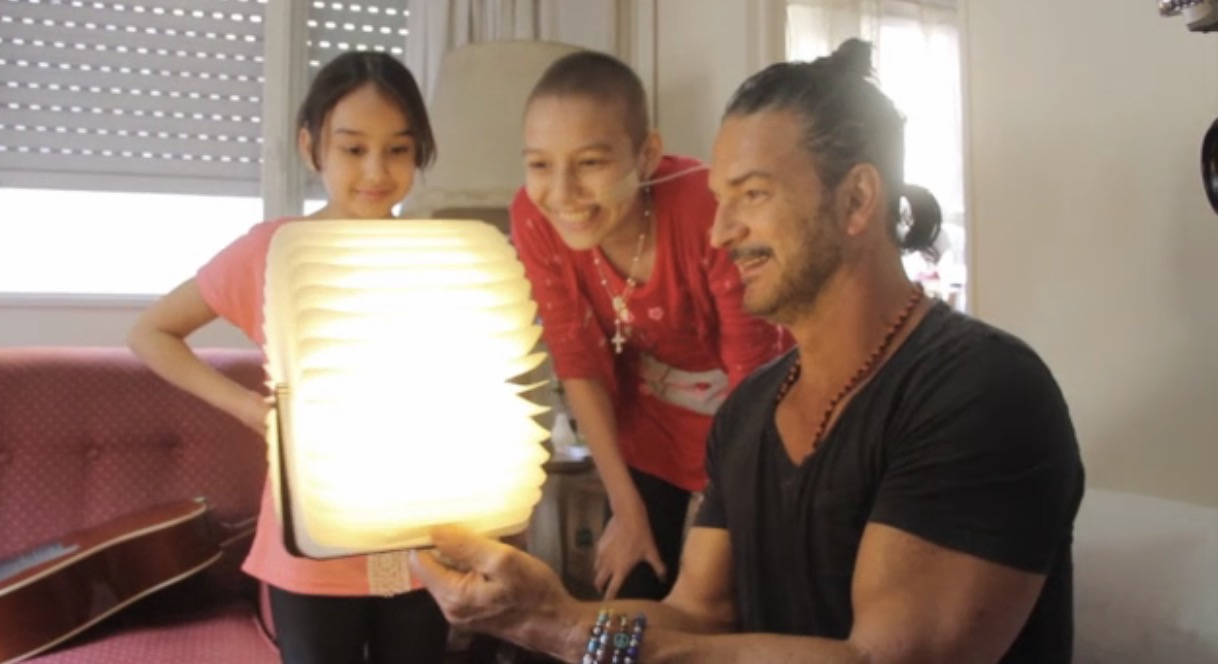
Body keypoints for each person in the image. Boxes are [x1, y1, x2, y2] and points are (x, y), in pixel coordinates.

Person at [409, 39, 1086, 664]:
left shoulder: (982, 392)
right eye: (718, 200)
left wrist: (558, 629)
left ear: (856, 200)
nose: (720, 231)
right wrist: (542, 612)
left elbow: (883, 659)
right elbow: (695, 614)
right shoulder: (751, 409)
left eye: (753, 195)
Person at [127, 52, 451, 664]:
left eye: (398, 149)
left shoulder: (441, 254)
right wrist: (250, 409)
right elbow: (152, 333)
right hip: (312, 539)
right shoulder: (271, 252)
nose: (376, 170)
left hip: (413, 535)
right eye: (353, 148)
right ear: (311, 147)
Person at [510, 51, 790, 602]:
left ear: (647, 155)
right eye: (540, 164)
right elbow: (576, 359)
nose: (562, 193)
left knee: (728, 593)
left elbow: (753, 369)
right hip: (649, 422)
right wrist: (626, 507)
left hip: (753, 417)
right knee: (630, 589)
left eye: (590, 162)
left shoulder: (707, 209)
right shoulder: (536, 218)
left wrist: (723, 514)